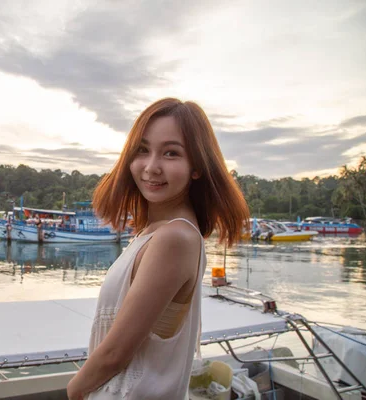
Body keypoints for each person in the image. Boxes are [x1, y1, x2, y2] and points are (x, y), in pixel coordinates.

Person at [66, 98, 249, 400]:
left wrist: (73, 391)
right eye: (142, 150)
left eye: (171, 153)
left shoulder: (174, 238)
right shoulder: (154, 233)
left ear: (197, 167)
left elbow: (115, 353)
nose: (151, 167)